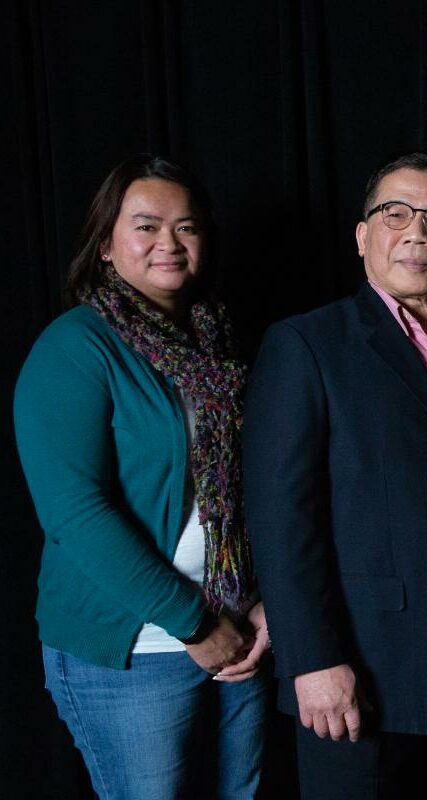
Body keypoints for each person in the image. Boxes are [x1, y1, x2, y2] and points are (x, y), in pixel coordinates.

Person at [243, 152, 427, 799]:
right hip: (356, 676)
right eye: (395, 213)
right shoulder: (307, 345)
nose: (416, 230)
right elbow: (281, 516)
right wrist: (310, 659)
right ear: (362, 235)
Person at [13, 155, 270, 799]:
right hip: (138, 650)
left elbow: (257, 487)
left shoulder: (218, 348)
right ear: (105, 243)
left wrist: (264, 603)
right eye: (146, 226)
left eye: (185, 227)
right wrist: (194, 624)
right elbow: (75, 513)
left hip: (239, 639)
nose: (168, 243)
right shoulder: (74, 349)